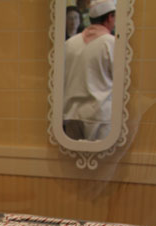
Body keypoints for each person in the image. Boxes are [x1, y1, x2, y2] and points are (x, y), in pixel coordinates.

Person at [63, 0, 116, 141]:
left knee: (72, 162)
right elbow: (121, 80)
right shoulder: (111, 43)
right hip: (99, 116)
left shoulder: (69, 44)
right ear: (110, 17)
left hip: (71, 115)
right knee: (102, 162)